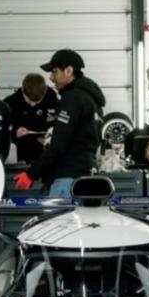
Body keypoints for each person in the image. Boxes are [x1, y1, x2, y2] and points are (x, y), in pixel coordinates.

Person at [13, 49, 105, 197]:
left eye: (55, 71)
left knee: (61, 221)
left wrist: (31, 174)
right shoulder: (93, 101)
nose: (51, 77)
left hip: (66, 180)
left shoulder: (72, 98)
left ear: (68, 71)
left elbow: (58, 146)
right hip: (86, 176)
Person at [5, 73, 59, 164]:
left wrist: (50, 136)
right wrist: (15, 133)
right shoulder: (10, 103)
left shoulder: (52, 99)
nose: (33, 104)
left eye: (37, 101)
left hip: (46, 153)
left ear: (44, 92)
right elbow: (1, 133)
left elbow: (60, 123)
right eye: (29, 100)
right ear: (23, 91)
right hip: (21, 154)